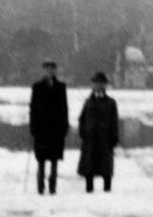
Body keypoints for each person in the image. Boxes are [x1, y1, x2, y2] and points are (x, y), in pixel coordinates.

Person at [29, 60, 69, 195]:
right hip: (41, 129)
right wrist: (33, 127)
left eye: (52, 69)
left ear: (55, 70)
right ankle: (40, 187)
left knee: (54, 161)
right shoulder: (37, 87)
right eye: (47, 69)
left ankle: (52, 187)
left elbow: (64, 109)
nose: (49, 71)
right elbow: (33, 109)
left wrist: (64, 127)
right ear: (44, 70)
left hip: (56, 130)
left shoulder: (61, 87)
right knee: (41, 161)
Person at [77, 72, 119, 193]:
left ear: (105, 85)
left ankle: (107, 191)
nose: (98, 85)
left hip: (105, 140)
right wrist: (83, 133)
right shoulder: (88, 101)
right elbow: (82, 118)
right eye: (95, 83)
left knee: (106, 169)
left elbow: (114, 121)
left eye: (101, 83)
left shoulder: (111, 102)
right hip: (90, 140)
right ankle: (89, 191)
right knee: (89, 168)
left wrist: (114, 138)